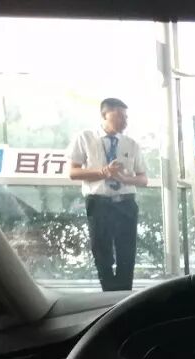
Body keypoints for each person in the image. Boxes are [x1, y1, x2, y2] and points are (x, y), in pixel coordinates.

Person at [67, 98, 148, 291]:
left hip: (126, 203)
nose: (124, 121)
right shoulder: (85, 138)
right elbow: (73, 172)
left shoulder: (131, 144)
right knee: (101, 252)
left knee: (127, 253)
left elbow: (143, 179)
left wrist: (125, 179)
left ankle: (124, 295)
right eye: (120, 116)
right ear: (105, 115)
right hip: (99, 203)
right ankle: (109, 293)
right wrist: (103, 172)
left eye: (126, 117)